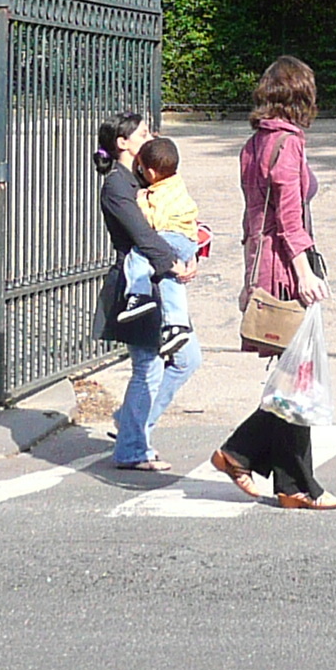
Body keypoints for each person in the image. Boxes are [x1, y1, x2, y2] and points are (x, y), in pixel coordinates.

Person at [210, 56, 336, 511]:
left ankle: (285, 481)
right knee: (296, 379)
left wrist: (251, 275)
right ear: (301, 97)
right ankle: (253, 460)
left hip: (263, 264)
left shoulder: (254, 143)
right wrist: (305, 273)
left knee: (292, 377)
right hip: (286, 269)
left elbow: (255, 216)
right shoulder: (287, 144)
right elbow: (287, 217)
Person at [94, 111, 197, 472]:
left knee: (187, 359)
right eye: (142, 133)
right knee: (148, 367)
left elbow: (177, 216)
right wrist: (176, 262)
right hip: (138, 284)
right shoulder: (117, 187)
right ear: (122, 144)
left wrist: (194, 250)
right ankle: (131, 448)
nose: (150, 136)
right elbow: (143, 236)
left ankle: (130, 423)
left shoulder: (144, 178)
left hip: (162, 277)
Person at [116, 135, 208, 361]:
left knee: (138, 256)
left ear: (151, 173)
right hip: (188, 240)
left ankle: (139, 294)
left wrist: (141, 201)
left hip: (172, 236)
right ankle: (177, 325)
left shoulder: (158, 194)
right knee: (170, 280)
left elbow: (155, 222)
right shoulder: (176, 182)